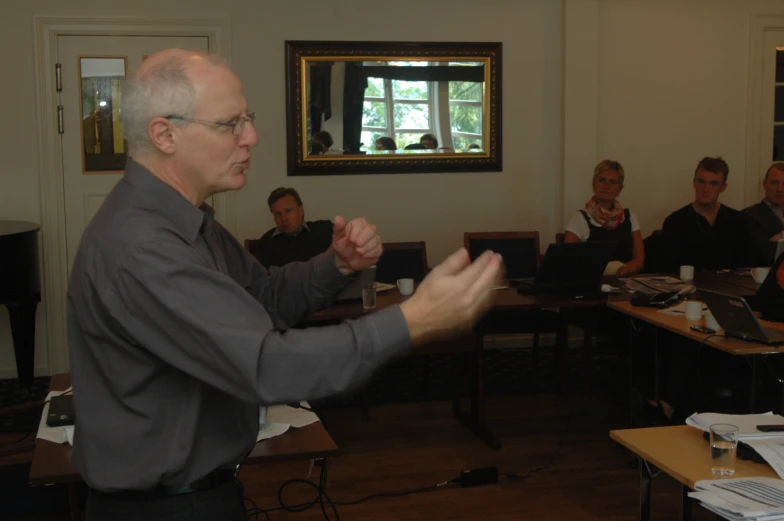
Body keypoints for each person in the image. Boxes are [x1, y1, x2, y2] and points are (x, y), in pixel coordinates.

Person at [66, 49, 504, 521]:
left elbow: (263, 297)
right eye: (229, 124)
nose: (251, 137)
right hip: (165, 509)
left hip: (197, 494)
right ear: (165, 134)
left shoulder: (187, 223)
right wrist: (411, 320)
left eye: (247, 119)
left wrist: (335, 264)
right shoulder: (144, 246)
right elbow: (266, 367)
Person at [660, 156, 754, 271]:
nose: (706, 189)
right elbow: (667, 269)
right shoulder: (675, 222)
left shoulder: (739, 221)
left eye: (713, 184)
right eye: (701, 182)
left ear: (723, 187)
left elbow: (746, 266)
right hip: (689, 286)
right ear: (694, 183)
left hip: (729, 286)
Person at [564, 160, 644, 275]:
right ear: (593, 184)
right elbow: (569, 261)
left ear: (620, 189)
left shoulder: (630, 216)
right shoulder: (579, 218)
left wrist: (624, 270)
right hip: (592, 284)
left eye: (612, 182)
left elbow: (639, 260)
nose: (606, 186)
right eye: (602, 180)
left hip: (625, 282)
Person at [251, 187, 333, 268]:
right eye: (278, 214)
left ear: (301, 210)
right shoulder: (265, 242)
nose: (283, 218)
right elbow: (259, 278)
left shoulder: (324, 230)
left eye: (288, 211)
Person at [743, 162, 784, 266]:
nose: (780, 189)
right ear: (764, 184)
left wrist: (780, 237)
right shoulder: (748, 215)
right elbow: (766, 255)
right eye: (774, 183)